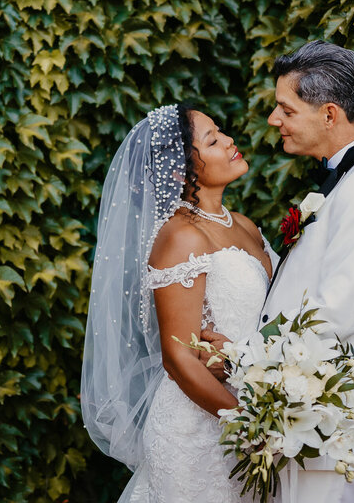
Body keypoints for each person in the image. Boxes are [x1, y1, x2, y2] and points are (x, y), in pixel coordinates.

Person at [206, 40, 354, 503]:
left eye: (285, 109)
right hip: (309, 427)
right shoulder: (351, 180)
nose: (273, 120)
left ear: (329, 115)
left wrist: (241, 358)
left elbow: (332, 318)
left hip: (333, 431)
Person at [82, 103, 276, 503]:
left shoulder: (244, 225)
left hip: (255, 404)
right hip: (202, 433)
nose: (229, 141)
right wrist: (249, 424)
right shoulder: (182, 236)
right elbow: (179, 355)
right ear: (178, 172)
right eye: (213, 140)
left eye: (221, 131)